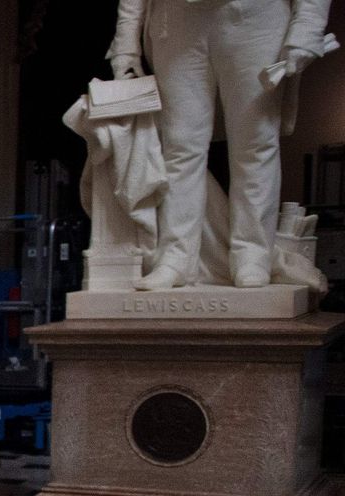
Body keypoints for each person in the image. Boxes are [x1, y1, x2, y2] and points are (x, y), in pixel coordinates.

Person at [109, 0, 331, 289]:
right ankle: (176, 257)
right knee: (179, 147)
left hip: (257, 16)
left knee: (255, 143)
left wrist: (308, 27)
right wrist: (126, 40)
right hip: (176, 20)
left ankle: (252, 254)